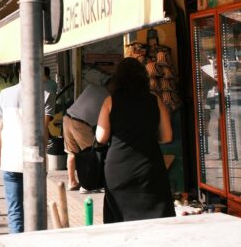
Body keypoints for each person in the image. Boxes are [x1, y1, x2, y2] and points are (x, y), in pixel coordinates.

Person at [96, 57, 175, 223]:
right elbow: (167, 136)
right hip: (149, 167)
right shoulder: (154, 100)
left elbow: (101, 137)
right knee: (155, 219)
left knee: (120, 220)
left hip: (118, 170)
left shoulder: (110, 101)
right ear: (143, 77)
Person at [0, 78, 54, 233]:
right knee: (36, 210)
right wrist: (45, 157)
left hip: (10, 160)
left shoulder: (4, 94)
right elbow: (43, 133)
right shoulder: (46, 95)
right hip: (35, 160)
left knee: (15, 211)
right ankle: (34, 245)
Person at [63, 79, 112, 191]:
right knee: (92, 154)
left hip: (67, 117)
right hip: (81, 123)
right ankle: (88, 185)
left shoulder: (92, 87)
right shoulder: (108, 97)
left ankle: (71, 182)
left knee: (72, 153)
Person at [43, 67, 58, 138]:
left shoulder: (44, 84)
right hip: (51, 109)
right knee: (45, 127)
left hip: (46, 110)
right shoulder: (54, 83)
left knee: (44, 128)